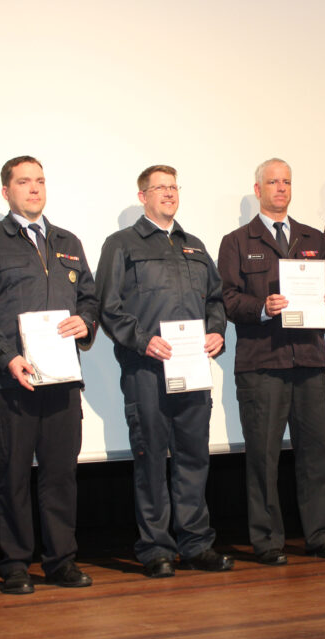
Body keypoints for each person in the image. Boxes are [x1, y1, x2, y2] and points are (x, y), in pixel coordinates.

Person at [0, 156, 98, 594]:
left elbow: (90, 298)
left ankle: (61, 561)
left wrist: (85, 322)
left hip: (62, 380)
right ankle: (16, 564)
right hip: (13, 380)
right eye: (23, 182)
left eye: (39, 181)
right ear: (6, 191)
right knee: (14, 476)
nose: (34, 189)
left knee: (61, 476)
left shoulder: (67, 241)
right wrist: (7, 358)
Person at [95, 164, 233, 577]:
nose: (169, 194)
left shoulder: (195, 246)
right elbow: (108, 307)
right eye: (160, 188)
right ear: (143, 197)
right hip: (147, 369)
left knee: (194, 458)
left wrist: (217, 330)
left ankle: (196, 545)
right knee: (151, 459)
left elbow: (216, 299)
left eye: (174, 187)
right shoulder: (121, 244)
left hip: (192, 369)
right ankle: (156, 549)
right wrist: (142, 340)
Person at [218, 158, 325, 565]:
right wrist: (262, 307)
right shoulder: (237, 241)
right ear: (258, 190)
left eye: (286, 182)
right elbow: (226, 299)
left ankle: (320, 536)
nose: (281, 188)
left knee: (316, 454)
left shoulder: (314, 238)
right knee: (263, 457)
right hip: (262, 364)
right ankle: (267, 541)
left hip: (308, 359)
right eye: (273, 182)